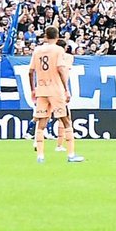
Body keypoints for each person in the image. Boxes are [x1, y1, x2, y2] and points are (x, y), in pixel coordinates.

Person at [29, 26, 81, 163]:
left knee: (41, 123)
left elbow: (30, 71)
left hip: (41, 89)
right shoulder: (59, 50)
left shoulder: (37, 50)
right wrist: (66, 89)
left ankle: (40, 156)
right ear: (57, 36)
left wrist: (32, 89)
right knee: (66, 121)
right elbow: (60, 69)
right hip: (56, 90)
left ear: (45, 36)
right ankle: (71, 155)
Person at [52, 38, 82, 160]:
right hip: (60, 89)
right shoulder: (68, 57)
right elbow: (64, 69)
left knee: (46, 116)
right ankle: (64, 148)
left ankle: (37, 141)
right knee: (65, 118)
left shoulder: (51, 57)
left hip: (49, 86)